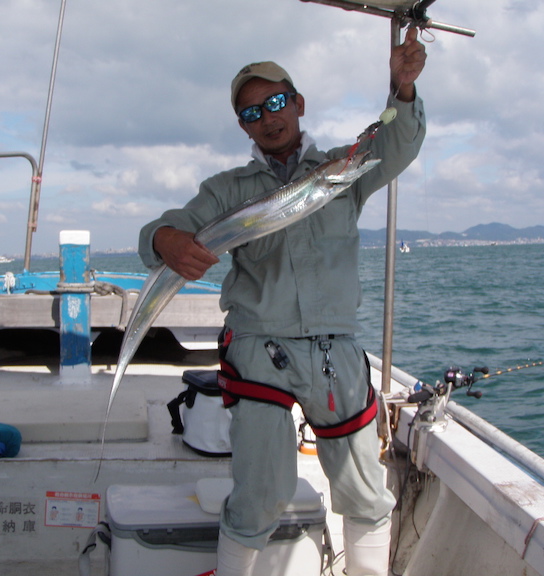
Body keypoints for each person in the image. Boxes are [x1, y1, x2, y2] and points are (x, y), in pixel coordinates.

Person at [139, 27, 427, 576]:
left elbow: (397, 144)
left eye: (276, 103)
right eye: (252, 113)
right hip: (259, 349)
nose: (268, 119)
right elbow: (169, 226)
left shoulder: (342, 169)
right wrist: (163, 240)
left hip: (335, 350)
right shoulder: (228, 189)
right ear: (243, 126)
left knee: (366, 490)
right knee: (260, 494)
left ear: (298, 104)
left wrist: (403, 89)